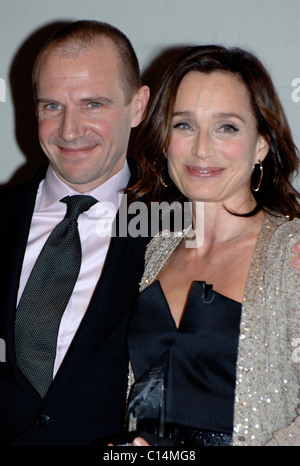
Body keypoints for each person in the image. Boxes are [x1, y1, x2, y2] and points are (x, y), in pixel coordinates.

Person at [126, 45, 300, 446]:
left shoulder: (289, 254)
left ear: (261, 144)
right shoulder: (152, 247)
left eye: (227, 127)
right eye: (184, 125)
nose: (201, 148)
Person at [0, 20, 150, 446]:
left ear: (137, 106)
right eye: (52, 106)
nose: (69, 130)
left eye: (93, 104)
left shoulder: (178, 225)